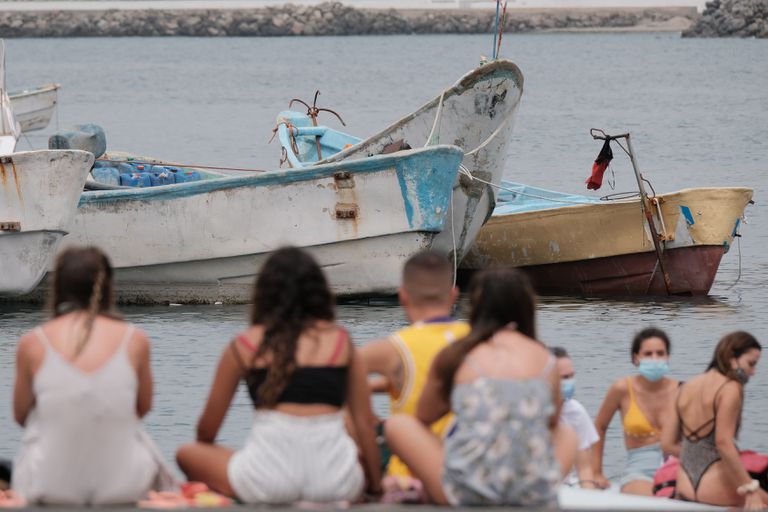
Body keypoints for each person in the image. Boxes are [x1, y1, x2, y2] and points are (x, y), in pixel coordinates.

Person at [176, 247, 381, 504]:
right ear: (319, 293)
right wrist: (375, 487)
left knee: (188, 453)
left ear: (263, 294)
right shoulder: (340, 342)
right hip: (334, 482)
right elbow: (364, 426)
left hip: (267, 481)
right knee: (357, 452)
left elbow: (206, 432)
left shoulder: (244, 345)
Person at [385, 267, 570, 506]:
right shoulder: (546, 360)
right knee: (568, 433)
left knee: (400, 424)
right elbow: (552, 425)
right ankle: (537, 487)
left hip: (466, 494)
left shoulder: (457, 354)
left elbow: (424, 416)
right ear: (527, 307)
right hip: (532, 493)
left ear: (476, 306)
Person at [12, 246, 171, 505]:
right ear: (107, 287)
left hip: (50, 484)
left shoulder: (32, 343)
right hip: (122, 486)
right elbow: (143, 408)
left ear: (59, 287)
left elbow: (20, 416)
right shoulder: (135, 340)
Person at [360, 251, 468, 479]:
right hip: (468, 468)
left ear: (403, 296)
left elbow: (334, 378)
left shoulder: (392, 349)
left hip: (410, 475)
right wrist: (385, 385)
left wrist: (369, 417)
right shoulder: (477, 340)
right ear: (453, 295)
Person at [661, 331, 767, 509]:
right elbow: (723, 443)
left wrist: (697, 454)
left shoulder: (684, 388)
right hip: (715, 484)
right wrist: (751, 489)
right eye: (751, 364)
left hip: (684, 485)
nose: (753, 372)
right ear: (732, 358)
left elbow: (666, 444)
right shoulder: (731, 387)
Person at [592, 327, 679, 495]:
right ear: (636, 357)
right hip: (640, 471)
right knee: (649, 502)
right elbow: (599, 426)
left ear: (668, 356)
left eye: (660, 353)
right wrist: (597, 472)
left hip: (679, 468)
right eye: (648, 354)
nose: (655, 359)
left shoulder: (683, 390)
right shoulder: (622, 389)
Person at [551, 346, 600, 489]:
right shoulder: (529, 411)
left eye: (572, 376)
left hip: (566, 487)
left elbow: (584, 468)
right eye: (564, 378)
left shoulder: (576, 412)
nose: (570, 382)